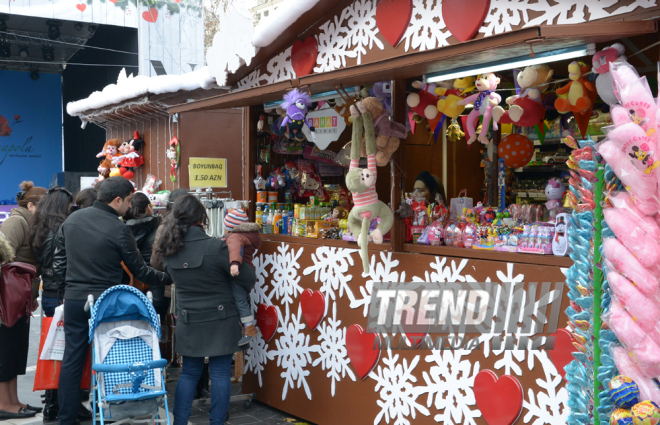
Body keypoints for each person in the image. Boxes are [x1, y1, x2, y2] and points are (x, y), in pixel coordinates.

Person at [52, 177, 171, 425]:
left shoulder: (72, 219)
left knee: (72, 360)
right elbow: (140, 271)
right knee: (110, 356)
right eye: (128, 201)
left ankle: (66, 418)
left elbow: (59, 264)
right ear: (117, 200)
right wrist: (169, 277)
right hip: (105, 302)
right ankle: (111, 410)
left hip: (75, 299)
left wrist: (65, 290)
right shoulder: (118, 228)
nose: (129, 207)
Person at [153, 195, 255, 425]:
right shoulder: (216, 246)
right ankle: (217, 422)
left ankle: (179, 421)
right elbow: (249, 277)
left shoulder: (169, 250)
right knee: (220, 373)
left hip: (188, 318)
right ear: (201, 217)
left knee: (189, 372)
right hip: (222, 317)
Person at [29, 187, 93, 422]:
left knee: (56, 349)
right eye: (69, 204)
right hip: (62, 293)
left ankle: (54, 403)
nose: (72, 208)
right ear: (61, 206)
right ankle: (67, 404)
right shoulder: (61, 228)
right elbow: (60, 265)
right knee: (70, 352)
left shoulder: (39, 225)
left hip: (50, 293)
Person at [0, 181, 46, 419]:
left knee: (16, 351)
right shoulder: (16, 222)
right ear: (30, 206)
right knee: (6, 352)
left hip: (19, 300)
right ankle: (3, 404)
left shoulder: (27, 223)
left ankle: (13, 400)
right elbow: (3, 260)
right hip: (6, 301)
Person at [222, 208, 262, 345]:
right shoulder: (245, 237)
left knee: (239, 300)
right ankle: (244, 325)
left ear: (230, 228)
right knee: (243, 299)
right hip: (248, 273)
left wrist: (234, 264)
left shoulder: (234, 238)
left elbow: (235, 249)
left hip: (240, 272)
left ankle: (249, 328)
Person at [123, 192, 163, 313]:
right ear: (149, 207)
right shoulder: (161, 230)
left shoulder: (120, 231)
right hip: (156, 284)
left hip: (127, 286)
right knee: (156, 325)